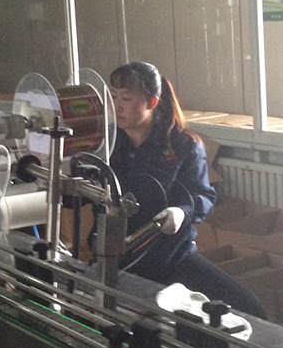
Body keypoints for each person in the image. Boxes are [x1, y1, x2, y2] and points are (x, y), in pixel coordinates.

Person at [108, 61, 266, 318]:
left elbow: (203, 196)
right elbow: (77, 197)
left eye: (126, 98)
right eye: (113, 96)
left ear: (152, 102)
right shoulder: (108, 144)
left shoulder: (184, 146)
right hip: (118, 257)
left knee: (249, 309)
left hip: (170, 255)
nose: (117, 106)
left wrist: (181, 212)